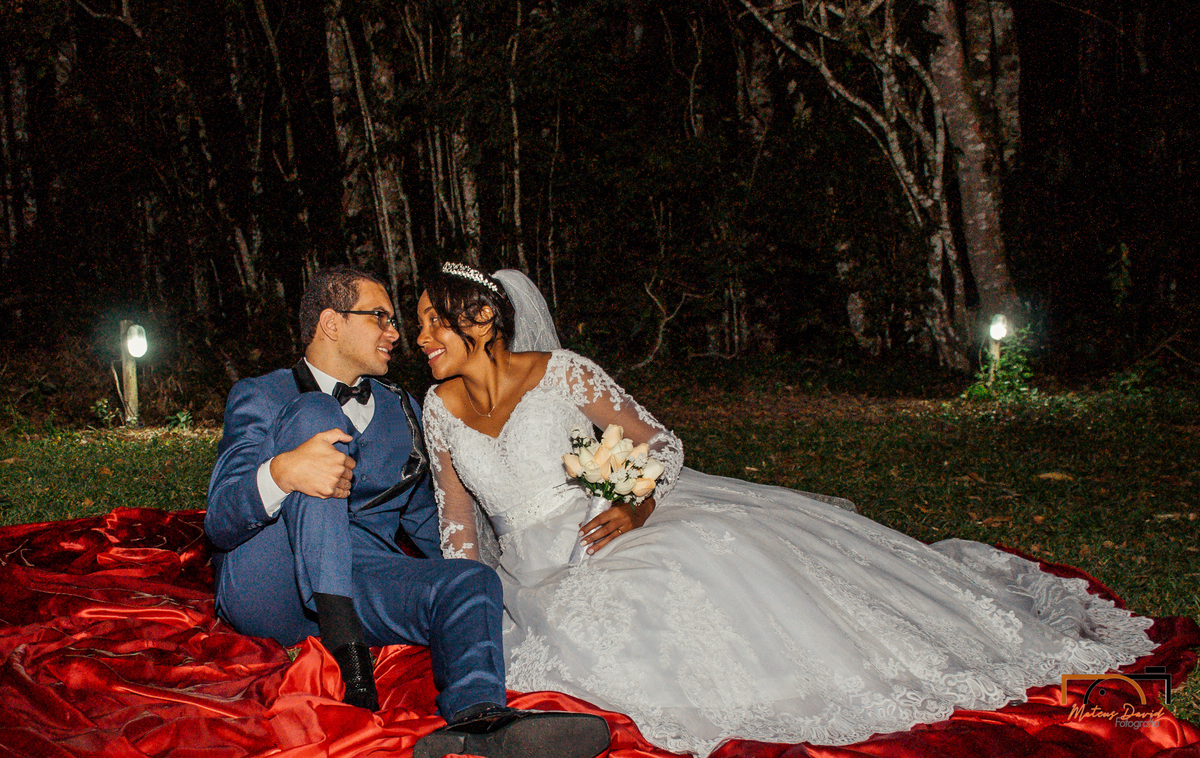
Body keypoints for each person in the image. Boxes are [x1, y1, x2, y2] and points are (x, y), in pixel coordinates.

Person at [416, 262, 1161, 758]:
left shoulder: (564, 372)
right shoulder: (437, 406)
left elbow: (660, 445)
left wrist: (635, 509)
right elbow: (456, 516)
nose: (420, 340)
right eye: (417, 325)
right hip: (525, 565)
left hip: (609, 527)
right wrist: (466, 592)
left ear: (481, 317)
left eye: (432, 323)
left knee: (694, 567)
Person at [206, 266, 609, 758]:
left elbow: (426, 518)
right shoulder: (261, 393)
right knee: (315, 414)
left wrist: (480, 577)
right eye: (380, 317)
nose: (397, 334)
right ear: (332, 323)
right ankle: (345, 649)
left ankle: (481, 720)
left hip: (362, 579)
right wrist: (284, 472)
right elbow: (222, 520)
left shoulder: (401, 408)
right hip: (274, 581)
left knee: (470, 579)